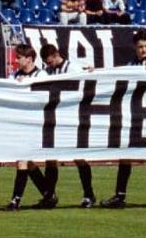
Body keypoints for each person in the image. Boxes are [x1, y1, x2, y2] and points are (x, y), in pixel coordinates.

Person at [103, 33, 146, 209]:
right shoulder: (132, 65)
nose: (143, 50)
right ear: (135, 47)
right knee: (125, 154)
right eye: (140, 46)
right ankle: (120, 196)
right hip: (137, 114)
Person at [39, 44, 98, 207]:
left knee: (78, 157)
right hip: (54, 118)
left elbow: (84, 83)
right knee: (51, 158)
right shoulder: (48, 71)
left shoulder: (72, 68)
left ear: (56, 55)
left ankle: (89, 194)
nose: (49, 65)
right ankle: (50, 196)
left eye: (50, 61)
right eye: (46, 63)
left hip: (72, 118)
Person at [5, 44, 57, 211]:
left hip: (39, 122)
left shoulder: (41, 75)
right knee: (27, 162)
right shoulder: (14, 75)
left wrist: (26, 85)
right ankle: (48, 194)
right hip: (21, 122)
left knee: (23, 160)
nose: (16, 60)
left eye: (19, 57)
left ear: (29, 59)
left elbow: (44, 95)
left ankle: (15, 200)